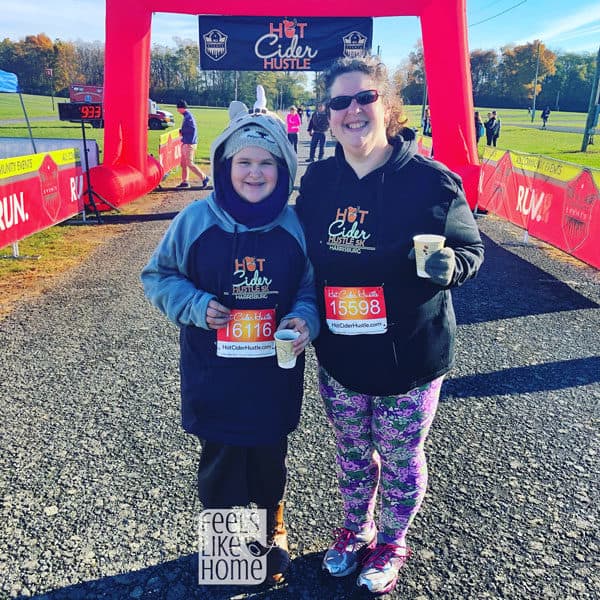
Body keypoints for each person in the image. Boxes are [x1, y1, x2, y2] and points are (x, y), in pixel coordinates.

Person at [295, 55, 484, 596]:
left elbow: (471, 247)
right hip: (341, 355)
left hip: (411, 355)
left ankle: (392, 541)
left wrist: (455, 267)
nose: (353, 110)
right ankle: (357, 529)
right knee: (352, 452)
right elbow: (300, 253)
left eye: (365, 98)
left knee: (401, 458)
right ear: (328, 114)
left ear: (387, 106)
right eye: (339, 102)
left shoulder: (430, 182)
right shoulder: (321, 180)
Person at [142, 88, 319, 584]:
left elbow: (309, 291)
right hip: (213, 374)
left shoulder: (294, 226)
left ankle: (270, 525)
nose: (255, 173)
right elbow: (158, 277)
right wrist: (196, 306)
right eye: (244, 162)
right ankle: (226, 553)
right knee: (220, 460)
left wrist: (304, 322)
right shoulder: (195, 220)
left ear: (283, 170)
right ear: (225, 164)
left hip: (273, 375)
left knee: (268, 455)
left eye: (268, 163)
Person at [176, 99, 210, 189]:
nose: (177, 110)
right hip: (186, 142)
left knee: (189, 164)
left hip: (189, 144)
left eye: (178, 108)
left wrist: (182, 132)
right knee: (183, 164)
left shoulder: (188, 117)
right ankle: (185, 182)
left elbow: (192, 129)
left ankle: (204, 178)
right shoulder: (187, 116)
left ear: (182, 108)